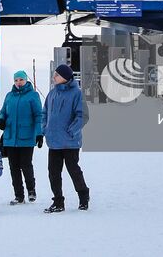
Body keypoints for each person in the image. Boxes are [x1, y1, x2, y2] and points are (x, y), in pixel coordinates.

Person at [42, 63, 90, 213]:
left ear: (64, 77)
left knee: (73, 170)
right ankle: (58, 201)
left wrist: (72, 131)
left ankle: (83, 197)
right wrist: (44, 129)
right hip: (54, 141)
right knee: (53, 172)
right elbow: (44, 114)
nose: (54, 77)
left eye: (56, 75)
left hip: (70, 142)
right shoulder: (52, 94)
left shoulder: (77, 93)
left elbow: (83, 115)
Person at [0, 69, 44, 204]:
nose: (18, 82)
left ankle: (31, 191)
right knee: (13, 167)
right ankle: (19, 195)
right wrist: (1, 119)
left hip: (26, 137)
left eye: (21, 80)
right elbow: (3, 111)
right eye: (16, 80)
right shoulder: (9, 96)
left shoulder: (33, 96)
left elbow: (38, 116)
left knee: (26, 165)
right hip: (10, 137)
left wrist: (39, 133)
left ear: (26, 80)